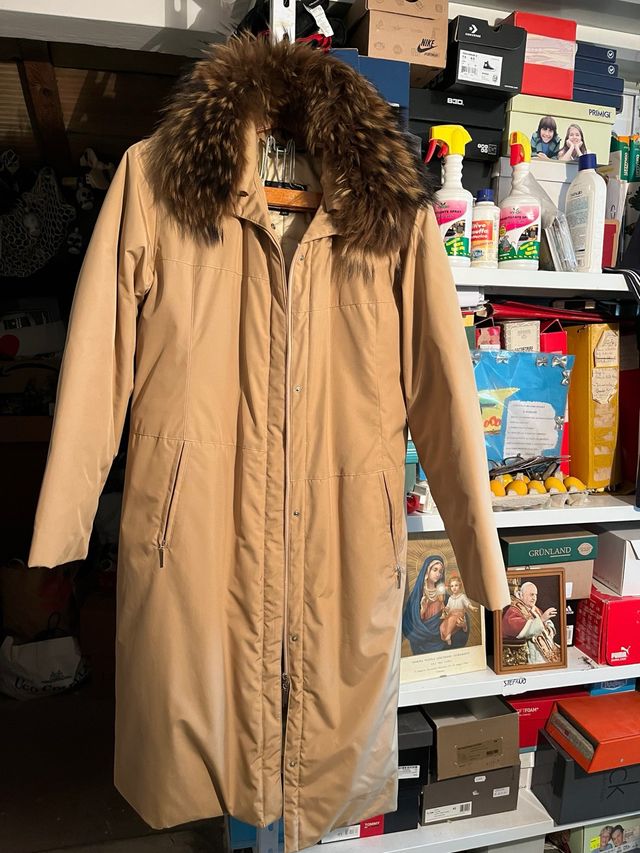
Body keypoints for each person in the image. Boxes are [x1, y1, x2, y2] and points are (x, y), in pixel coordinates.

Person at [402, 555, 470, 655]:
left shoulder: (444, 596)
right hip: (422, 644)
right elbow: (409, 623)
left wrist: (463, 625)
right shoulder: (416, 597)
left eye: (440, 571)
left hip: (443, 644)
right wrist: (423, 610)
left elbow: (457, 614)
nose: (438, 574)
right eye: (435, 570)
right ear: (427, 571)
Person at [501, 581, 561, 664]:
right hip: (532, 655)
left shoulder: (534, 609)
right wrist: (542, 619)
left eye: (536, 595)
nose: (534, 598)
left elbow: (546, 621)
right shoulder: (513, 610)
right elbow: (520, 629)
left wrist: (548, 627)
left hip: (547, 650)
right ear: (521, 595)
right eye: (531, 594)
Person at [440, 575, 477, 645]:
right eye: (452, 586)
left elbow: (467, 603)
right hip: (451, 614)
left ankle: (448, 635)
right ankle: (447, 635)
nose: (454, 588)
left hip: (459, 615)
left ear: (460, 586)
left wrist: (472, 607)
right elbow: (448, 607)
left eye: (456, 585)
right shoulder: (450, 598)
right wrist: (445, 608)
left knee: (452, 620)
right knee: (443, 625)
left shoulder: (462, 596)